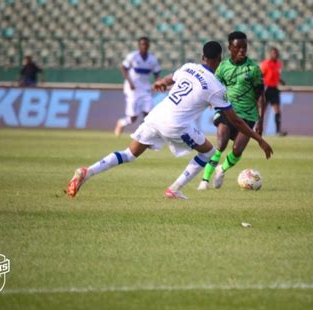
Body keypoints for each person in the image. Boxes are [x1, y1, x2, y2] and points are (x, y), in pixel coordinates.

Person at [67, 41, 273, 199]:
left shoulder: (188, 67)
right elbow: (236, 121)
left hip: (156, 115)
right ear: (219, 60)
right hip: (176, 124)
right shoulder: (215, 86)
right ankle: (174, 189)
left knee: (129, 153)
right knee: (209, 152)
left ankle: (87, 171)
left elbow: (169, 78)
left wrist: (161, 83)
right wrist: (259, 139)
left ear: (202, 56)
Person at [198, 31, 266, 190]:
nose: (242, 50)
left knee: (237, 150)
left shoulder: (253, 69)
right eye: (238, 47)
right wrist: (210, 99)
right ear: (230, 48)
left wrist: (260, 120)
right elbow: (215, 85)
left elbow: (261, 96)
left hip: (248, 114)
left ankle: (221, 169)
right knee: (220, 145)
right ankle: (204, 180)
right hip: (226, 110)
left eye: (244, 47)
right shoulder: (222, 67)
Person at [115, 37, 161, 136]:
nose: (144, 46)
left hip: (145, 89)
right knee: (133, 118)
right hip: (133, 89)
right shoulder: (133, 56)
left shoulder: (152, 59)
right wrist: (130, 82)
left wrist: (159, 82)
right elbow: (123, 68)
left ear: (148, 46)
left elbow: (157, 74)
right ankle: (121, 123)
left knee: (148, 114)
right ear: (139, 45)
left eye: (146, 44)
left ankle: (142, 133)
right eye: (142, 44)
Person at [260, 47, 287, 136]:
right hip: (266, 89)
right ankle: (259, 128)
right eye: (273, 53)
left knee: (277, 110)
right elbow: (261, 76)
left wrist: (281, 81)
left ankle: (278, 131)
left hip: (274, 89)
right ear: (270, 54)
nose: (274, 55)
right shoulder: (265, 64)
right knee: (263, 110)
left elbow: (276, 75)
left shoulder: (279, 64)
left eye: (276, 53)